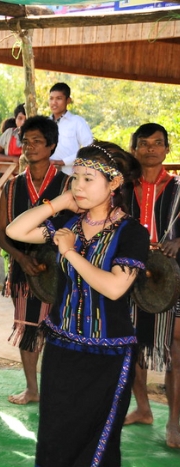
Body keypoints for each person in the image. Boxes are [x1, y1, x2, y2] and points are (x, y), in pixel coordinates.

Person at [6, 142, 148, 466]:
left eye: (88, 179)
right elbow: (15, 229)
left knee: (96, 446)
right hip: (61, 349)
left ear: (114, 184)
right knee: (55, 438)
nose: (78, 185)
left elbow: (114, 287)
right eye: (75, 177)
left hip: (108, 354)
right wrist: (59, 202)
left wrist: (70, 252)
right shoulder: (69, 223)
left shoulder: (132, 233)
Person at [0, 116, 69, 405]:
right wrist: (20, 258)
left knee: (58, 329)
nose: (31, 146)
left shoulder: (68, 185)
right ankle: (32, 389)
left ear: (51, 145)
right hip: (23, 268)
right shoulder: (13, 186)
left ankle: (55, 388)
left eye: (38, 141)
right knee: (27, 327)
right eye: (26, 141)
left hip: (60, 270)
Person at [124, 123, 180, 449]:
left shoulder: (178, 188)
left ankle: (175, 420)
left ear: (167, 150)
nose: (150, 149)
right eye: (143, 144)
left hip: (173, 279)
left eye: (157, 143)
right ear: (134, 150)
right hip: (130, 277)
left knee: (175, 347)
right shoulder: (121, 190)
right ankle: (143, 408)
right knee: (132, 344)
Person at [48, 82, 94, 174]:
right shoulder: (45, 123)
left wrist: (63, 162)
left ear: (68, 100)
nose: (54, 102)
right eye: (51, 98)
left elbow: (89, 148)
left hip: (70, 175)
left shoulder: (77, 122)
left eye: (59, 98)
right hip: (46, 174)